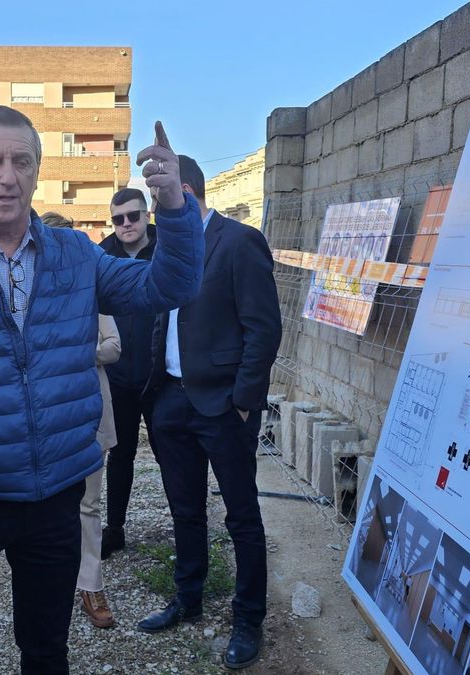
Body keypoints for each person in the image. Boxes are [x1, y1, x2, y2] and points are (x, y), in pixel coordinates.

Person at [0, 106, 205, 674]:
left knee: (48, 647)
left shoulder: (77, 256)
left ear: (37, 171)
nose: (7, 175)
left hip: (55, 489)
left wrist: (173, 206)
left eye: (21, 161)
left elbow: (170, 283)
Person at [138, 155, 281, 670]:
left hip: (223, 404)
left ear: (189, 191)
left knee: (242, 515)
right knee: (184, 508)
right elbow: (162, 317)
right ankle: (188, 597)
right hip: (173, 399)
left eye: (163, 198)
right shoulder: (168, 248)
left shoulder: (239, 242)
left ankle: (248, 618)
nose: (156, 209)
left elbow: (263, 329)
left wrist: (244, 402)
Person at [41, 212, 122, 629]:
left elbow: (113, 345)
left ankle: (91, 585)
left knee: (88, 504)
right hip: (42, 423)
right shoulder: (24, 295)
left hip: (90, 414)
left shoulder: (89, 289)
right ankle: (52, 586)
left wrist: (77, 352)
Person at [98, 187, 159, 558]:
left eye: (133, 216)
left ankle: (186, 528)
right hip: (118, 376)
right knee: (119, 457)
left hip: (160, 378)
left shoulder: (166, 250)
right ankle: (115, 527)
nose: (125, 225)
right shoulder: (102, 255)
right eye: (118, 219)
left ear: (146, 215)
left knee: (172, 457)